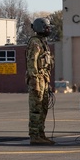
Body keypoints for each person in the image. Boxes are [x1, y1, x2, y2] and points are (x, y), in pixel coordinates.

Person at [26, 17, 55, 145]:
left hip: (44, 79)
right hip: (37, 80)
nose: (48, 29)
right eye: (46, 27)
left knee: (43, 107)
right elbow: (32, 63)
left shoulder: (43, 42)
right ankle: (34, 135)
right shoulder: (35, 43)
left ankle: (41, 134)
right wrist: (35, 81)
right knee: (36, 108)